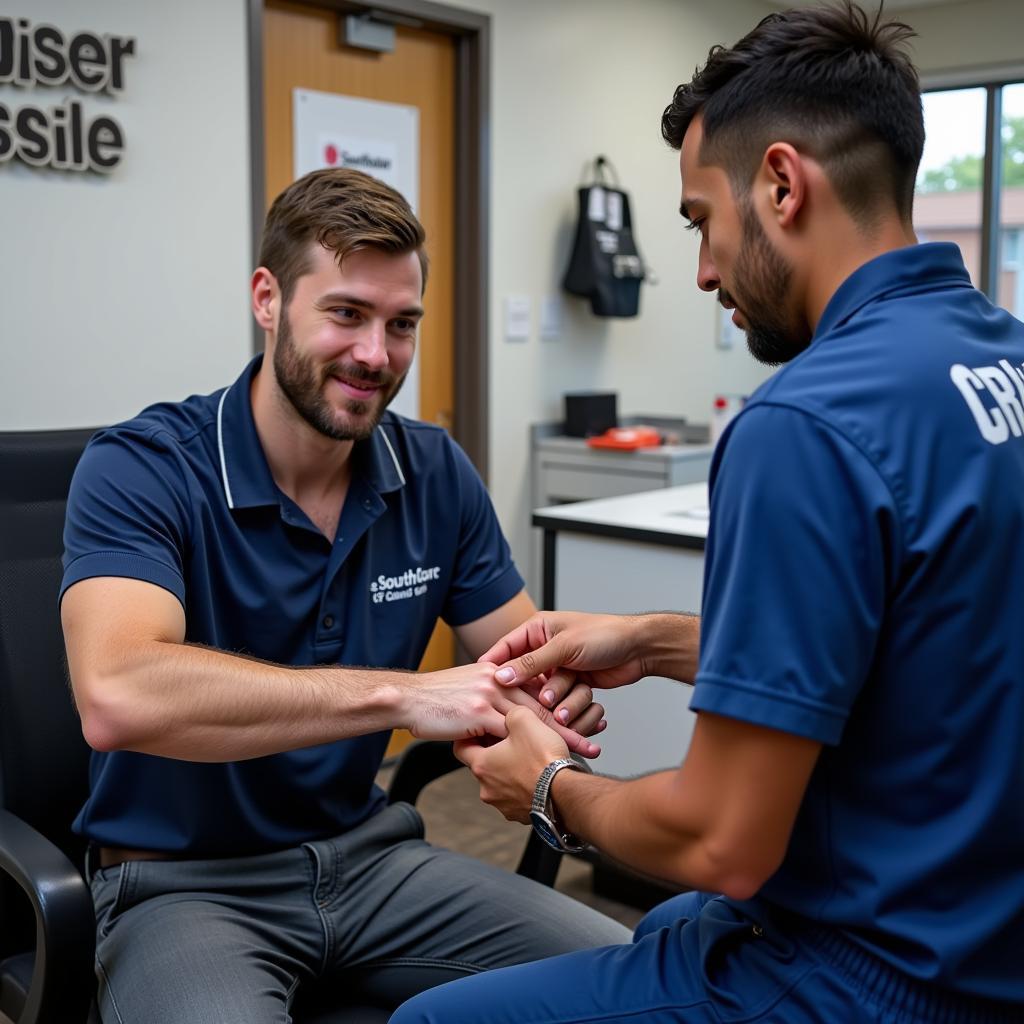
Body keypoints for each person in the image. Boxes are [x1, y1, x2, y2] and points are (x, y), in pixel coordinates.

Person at [391, 3, 1024, 1022]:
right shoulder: (1001, 359)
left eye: (699, 220)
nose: (700, 270)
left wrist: (547, 786)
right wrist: (656, 639)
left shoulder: (803, 424)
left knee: (428, 1019)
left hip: (867, 976)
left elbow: (722, 842)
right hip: (986, 939)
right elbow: (926, 644)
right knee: (653, 929)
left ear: (780, 184)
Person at [59, 166, 630, 1024]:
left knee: (637, 980)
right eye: (346, 315)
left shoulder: (433, 470)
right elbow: (119, 693)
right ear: (268, 299)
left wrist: (547, 697)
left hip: (374, 863)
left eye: (402, 324)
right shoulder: (142, 468)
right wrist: (403, 695)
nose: (376, 354)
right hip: (183, 889)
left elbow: (519, 658)